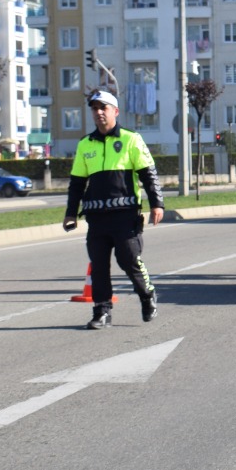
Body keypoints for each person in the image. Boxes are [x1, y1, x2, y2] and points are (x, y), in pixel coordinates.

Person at [62, 90, 165, 329]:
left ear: (115, 112)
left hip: (125, 216)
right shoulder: (85, 144)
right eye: (94, 108)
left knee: (129, 259)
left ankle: (147, 295)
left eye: (103, 108)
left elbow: (148, 175)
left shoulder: (131, 139)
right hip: (96, 218)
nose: (98, 112)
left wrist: (157, 204)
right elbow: (77, 183)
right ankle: (102, 312)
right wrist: (70, 213)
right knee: (98, 266)